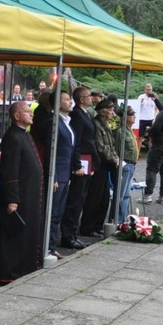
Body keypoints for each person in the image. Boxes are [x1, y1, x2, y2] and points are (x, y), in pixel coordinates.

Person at [0, 101, 44, 284]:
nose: (31, 114)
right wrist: (12, 199)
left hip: (28, 193)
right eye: (27, 112)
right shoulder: (13, 136)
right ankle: (9, 272)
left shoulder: (24, 134)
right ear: (17, 116)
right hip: (19, 195)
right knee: (14, 236)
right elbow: (10, 170)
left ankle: (25, 268)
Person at [59, 86, 96, 249]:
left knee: (80, 198)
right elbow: (78, 142)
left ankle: (73, 233)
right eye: (89, 96)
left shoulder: (85, 114)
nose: (92, 98)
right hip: (80, 163)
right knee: (75, 200)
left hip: (87, 162)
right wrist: (77, 165)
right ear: (82, 99)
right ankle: (68, 235)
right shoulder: (78, 115)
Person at [42, 91, 76, 259]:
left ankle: (51, 245)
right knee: (53, 213)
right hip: (57, 175)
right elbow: (50, 151)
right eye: (67, 99)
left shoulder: (66, 122)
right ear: (57, 103)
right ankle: (47, 247)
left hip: (65, 174)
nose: (71, 102)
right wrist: (53, 176)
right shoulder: (53, 123)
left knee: (59, 212)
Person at [80, 99, 119, 237]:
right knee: (94, 198)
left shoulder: (105, 124)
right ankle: (88, 227)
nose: (112, 112)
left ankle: (97, 225)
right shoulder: (97, 124)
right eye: (110, 109)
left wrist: (116, 158)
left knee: (103, 198)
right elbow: (101, 147)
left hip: (105, 165)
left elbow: (111, 145)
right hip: (99, 164)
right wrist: (114, 159)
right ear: (103, 111)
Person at [114, 106, 139, 224]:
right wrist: (121, 165)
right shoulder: (121, 131)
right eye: (131, 114)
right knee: (120, 195)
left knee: (126, 196)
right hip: (125, 165)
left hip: (131, 165)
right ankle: (117, 220)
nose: (134, 116)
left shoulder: (130, 131)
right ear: (125, 117)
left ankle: (122, 220)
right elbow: (117, 150)